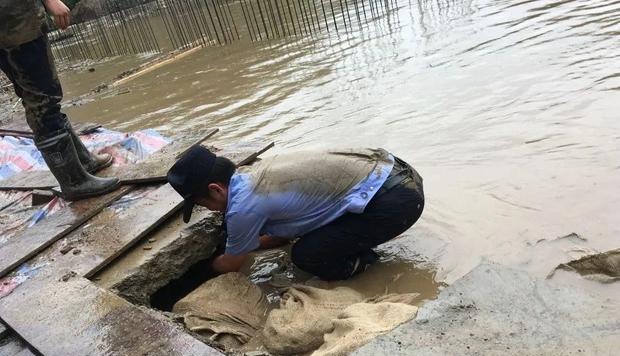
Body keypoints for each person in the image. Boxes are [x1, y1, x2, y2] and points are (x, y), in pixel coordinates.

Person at [168, 146, 424, 281]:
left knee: (306, 255)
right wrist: (247, 244)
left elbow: (231, 264)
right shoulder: (251, 174)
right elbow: (280, 236)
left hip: (397, 202)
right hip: (397, 172)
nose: (210, 210)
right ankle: (354, 244)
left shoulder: (242, 207)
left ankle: (362, 263)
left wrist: (202, 270)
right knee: (311, 237)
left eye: (204, 204)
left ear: (215, 189)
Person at [0, 0, 120, 200]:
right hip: (16, 22)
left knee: (35, 96)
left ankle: (81, 162)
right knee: (44, 98)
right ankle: (74, 181)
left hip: (11, 25)